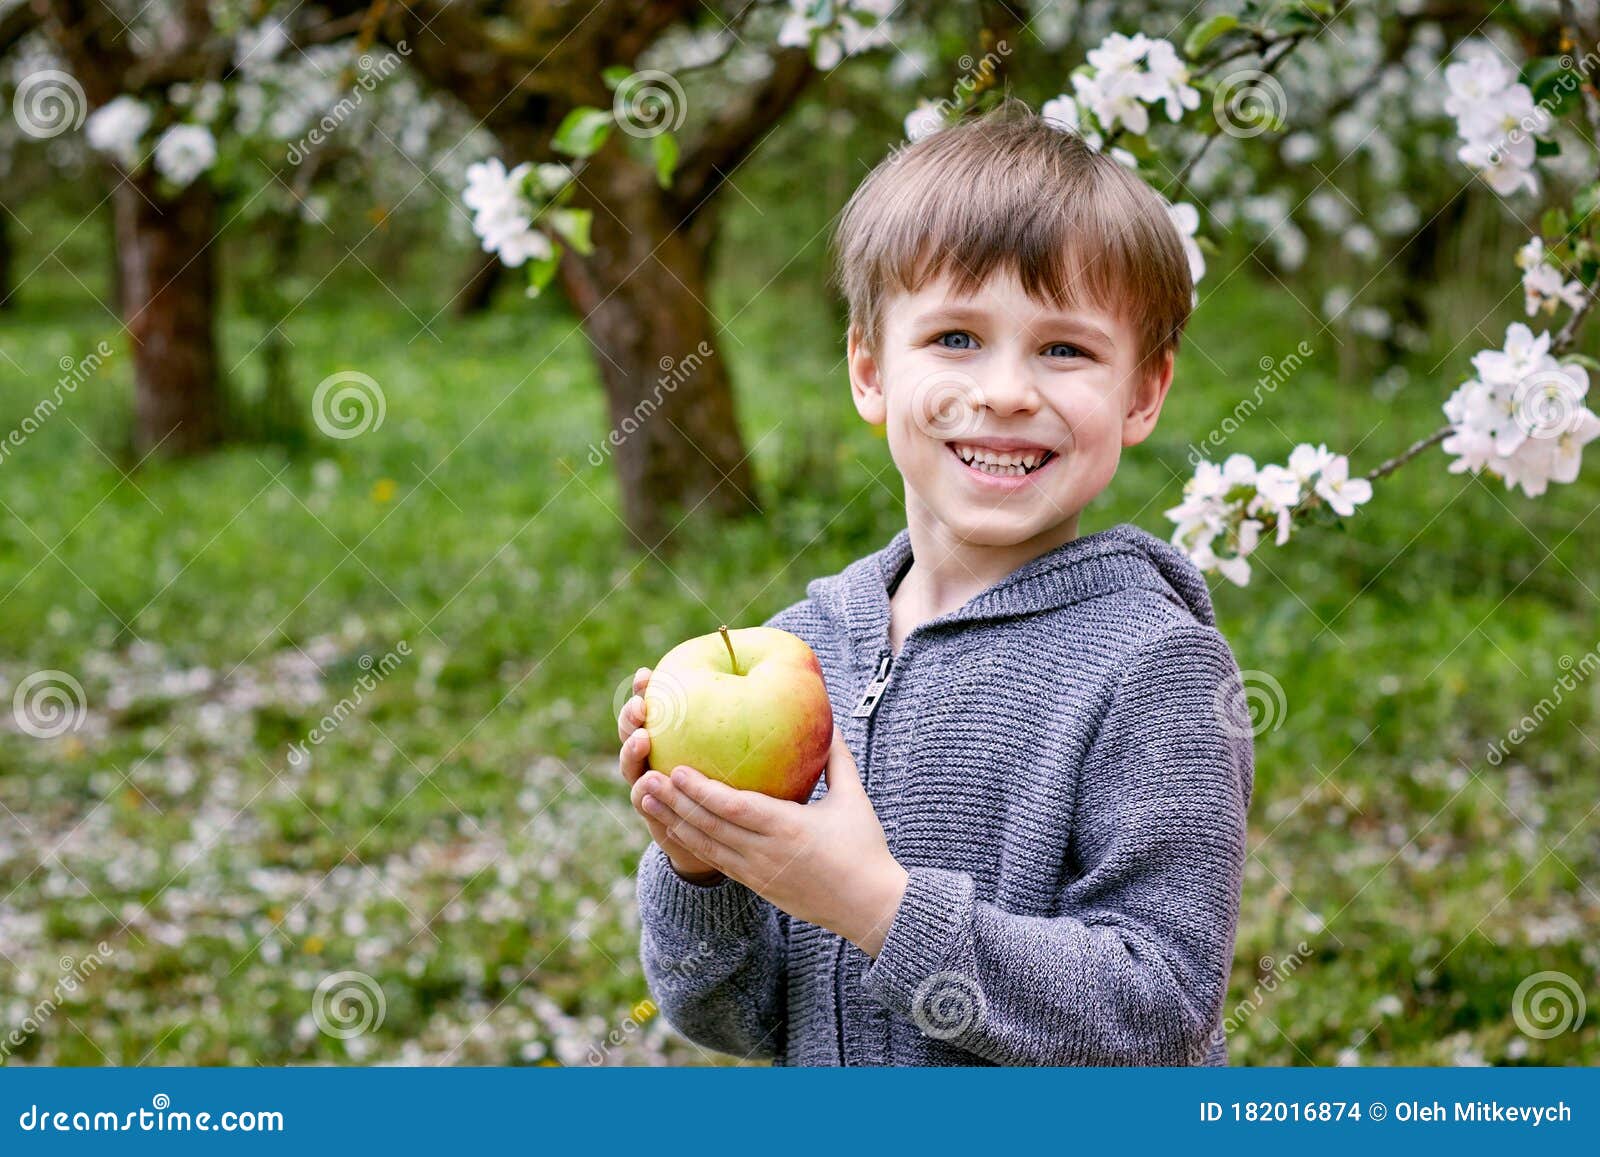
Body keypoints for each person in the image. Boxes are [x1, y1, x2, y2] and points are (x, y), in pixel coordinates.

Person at [615, 105, 1254, 1066]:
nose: (1002, 391)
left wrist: (877, 907)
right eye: (956, 337)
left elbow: (1158, 1009)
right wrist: (701, 866)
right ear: (871, 371)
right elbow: (736, 1019)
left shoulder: (1156, 669)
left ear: (1143, 394)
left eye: (1064, 348)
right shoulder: (809, 644)